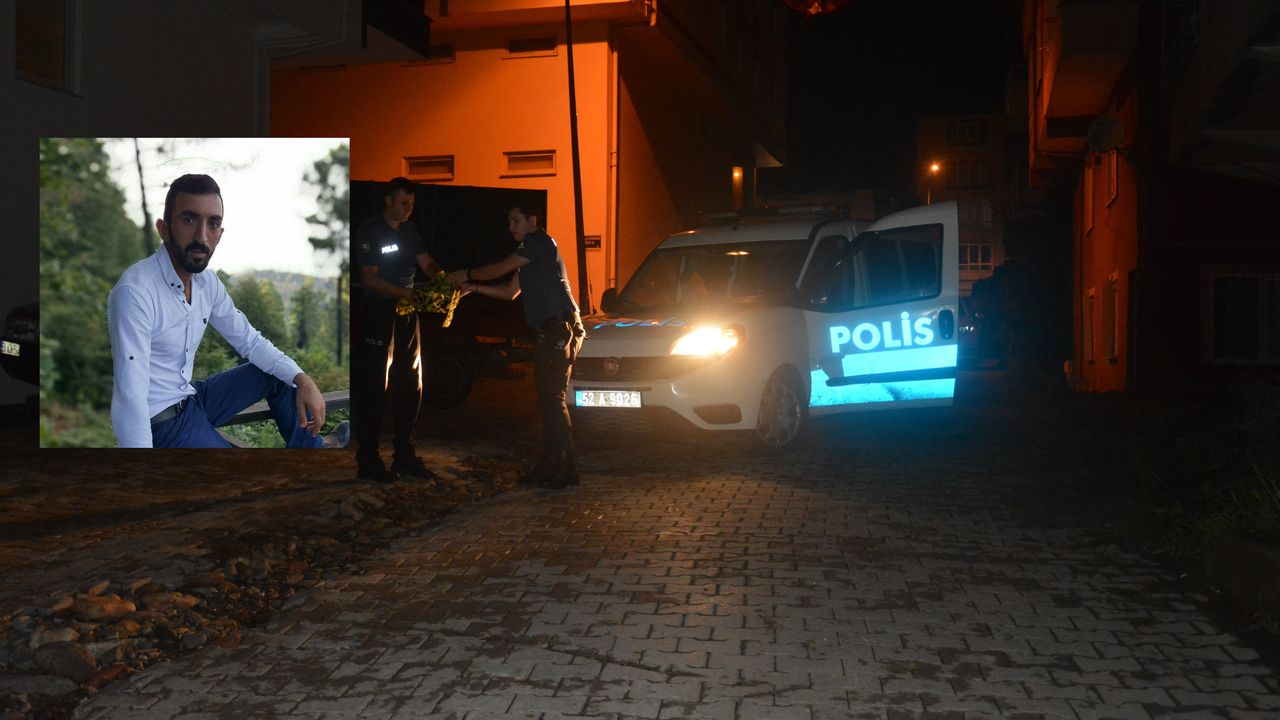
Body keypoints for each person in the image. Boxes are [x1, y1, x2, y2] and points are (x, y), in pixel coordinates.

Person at [107, 173, 348, 449]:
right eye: (189, 220)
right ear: (164, 229)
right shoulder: (135, 292)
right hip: (161, 423)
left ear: (220, 233)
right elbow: (130, 396)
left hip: (191, 397)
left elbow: (250, 341)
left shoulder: (206, 283)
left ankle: (313, 449)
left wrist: (302, 378)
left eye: (212, 224)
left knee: (277, 373)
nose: (202, 236)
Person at [446, 203, 584, 489]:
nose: (511, 227)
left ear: (532, 220)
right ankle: (555, 466)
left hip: (559, 328)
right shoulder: (531, 254)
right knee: (549, 399)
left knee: (552, 399)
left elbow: (498, 269)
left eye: (515, 220)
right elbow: (510, 292)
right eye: (509, 222)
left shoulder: (537, 242)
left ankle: (561, 469)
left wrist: (467, 274)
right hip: (554, 330)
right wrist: (474, 288)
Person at [351, 177, 438, 482]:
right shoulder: (371, 231)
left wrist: (440, 278)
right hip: (379, 312)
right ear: (388, 201)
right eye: (403, 203)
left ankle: (404, 454)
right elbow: (369, 278)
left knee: (412, 383)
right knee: (375, 385)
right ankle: (368, 459)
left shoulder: (410, 231)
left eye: (411, 204)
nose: (408, 209)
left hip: (407, 313)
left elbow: (426, 262)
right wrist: (407, 294)